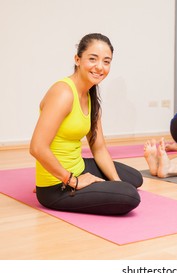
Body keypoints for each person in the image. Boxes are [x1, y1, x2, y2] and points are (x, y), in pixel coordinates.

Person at [30, 33, 142, 215]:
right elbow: (37, 147)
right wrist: (73, 180)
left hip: (78, 167)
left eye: (106, 62)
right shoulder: (63, 93)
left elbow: (99, 149)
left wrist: (115, 182)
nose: (100, 67)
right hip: (57, 186)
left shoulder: (91, 96)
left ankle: (105, 184)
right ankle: (65, 183)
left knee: (134, 178)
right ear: (77, 59)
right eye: (93, 59)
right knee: (130, 195)